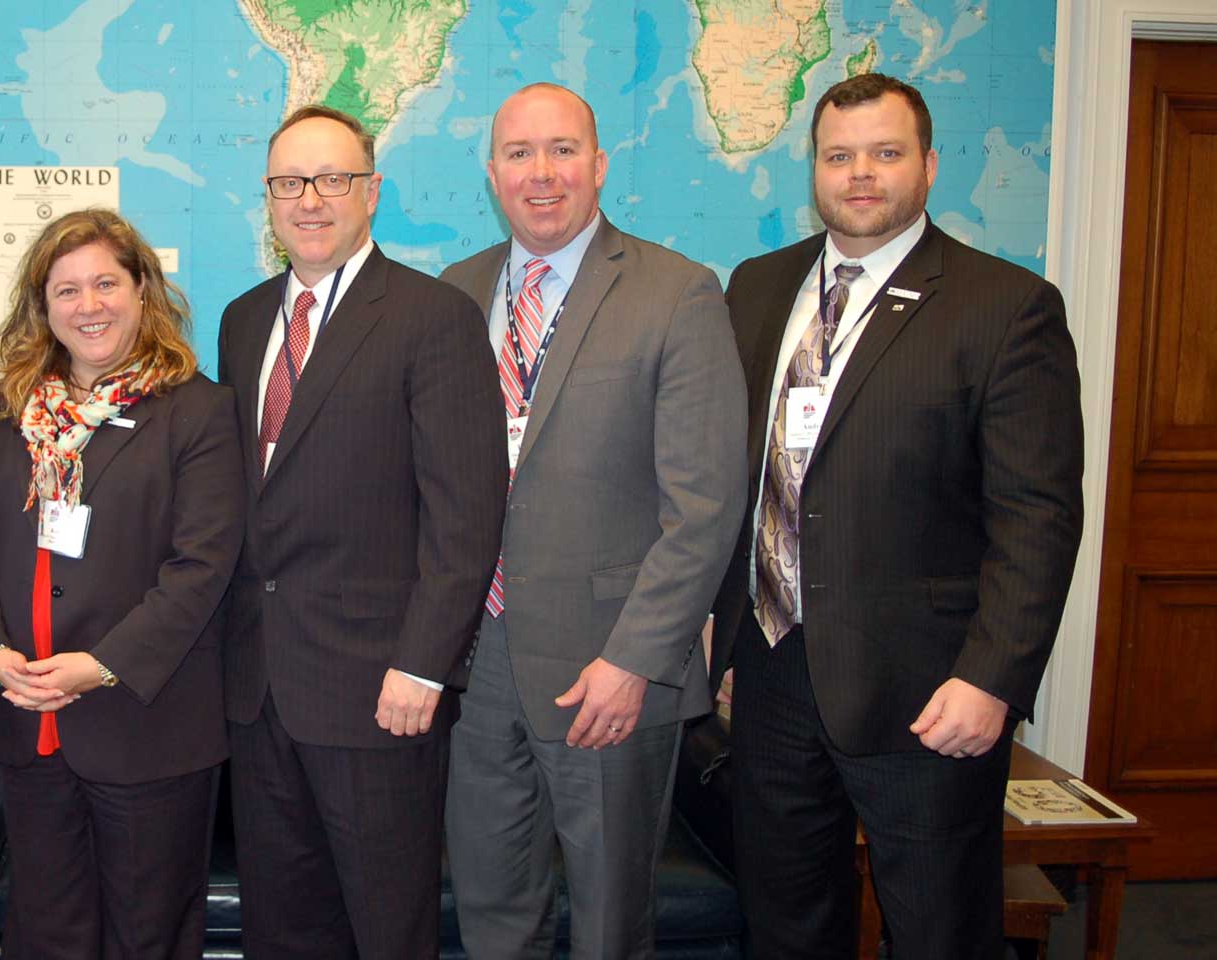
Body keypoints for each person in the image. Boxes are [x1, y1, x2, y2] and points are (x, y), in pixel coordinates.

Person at [708, 73, 1085, 958]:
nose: (861, 174)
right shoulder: (757, 288)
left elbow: (1038, 516)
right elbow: (743, 475)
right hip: (770, 677)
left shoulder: (1003, 306)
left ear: (929, 165)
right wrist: (722, 633)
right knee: (787, 925)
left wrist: (991, 680)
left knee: (938, 930)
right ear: (815, 170)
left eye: (885, 153)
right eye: (840, 156)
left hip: (926, 692)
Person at [437, 82, 747, 959]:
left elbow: (705, 506)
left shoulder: (677, 293)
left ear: (599, 164)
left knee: (612, 925)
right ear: (493, 172)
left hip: (608, 668)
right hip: (478, 661)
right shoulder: (456, 294)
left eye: (563, 150)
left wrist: (636, 661)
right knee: (492, 914)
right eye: (520, 154)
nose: (543, 174)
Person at [216, 104, 508, 958]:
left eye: (332, 179)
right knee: (283, 925)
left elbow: (466, 515)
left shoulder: (433, 316)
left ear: (371, 192)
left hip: (382, 694)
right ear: (268, 198)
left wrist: (423, 664)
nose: (309, 199)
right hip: (259, 690)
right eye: (288, 183)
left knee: (386, 926)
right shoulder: (241, 322)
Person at [0, 208, 244, 959]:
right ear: (42, 306)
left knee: (147, 938)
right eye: (66, 290)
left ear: (143, 292)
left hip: (147, 728)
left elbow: (202, 565)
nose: (89, 306)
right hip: (30, 726)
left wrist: (101, 665)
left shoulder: (198, 410)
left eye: (106, 284)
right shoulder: (6, 414)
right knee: (46, 934)